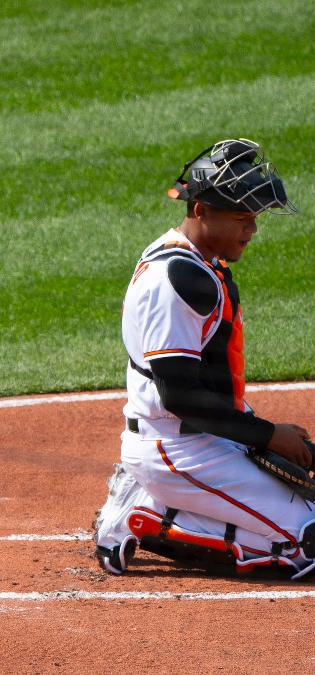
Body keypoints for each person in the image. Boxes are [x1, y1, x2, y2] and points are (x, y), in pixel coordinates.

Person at [93, 138, 315, 580]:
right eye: (241, 218)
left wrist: (257, 435)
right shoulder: (175, 281)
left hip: (208, 436)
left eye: (254, 218)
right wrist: (268, 435)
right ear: (201, 211)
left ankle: (160, 497)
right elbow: (180, 395)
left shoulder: (196, 260)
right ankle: (149, 512)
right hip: (178, 448)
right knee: (308, 545)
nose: (252, 229)